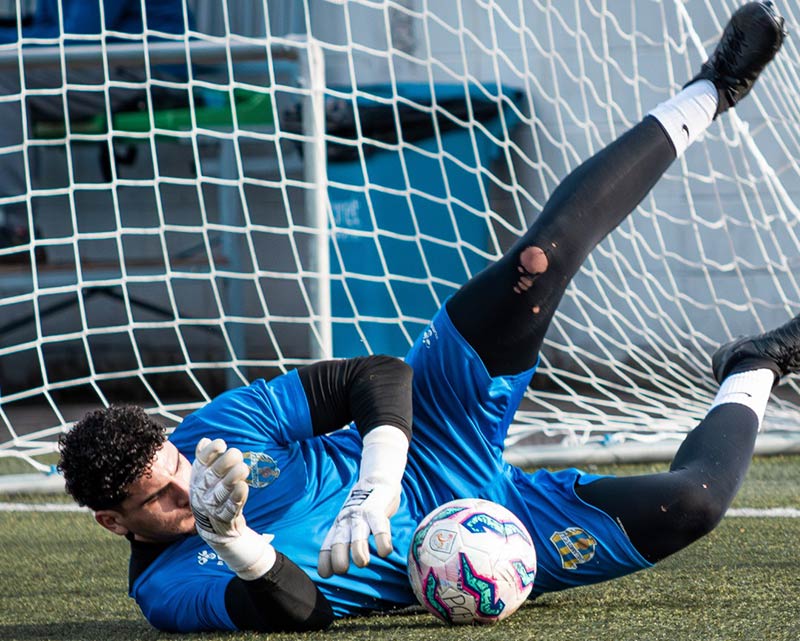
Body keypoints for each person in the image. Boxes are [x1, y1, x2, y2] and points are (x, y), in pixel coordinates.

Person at [57, 1, 793, 633]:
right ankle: (753, 368)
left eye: (174, 468)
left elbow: (372, 374)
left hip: (435, 432)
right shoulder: (166, 590)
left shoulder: (215, 434)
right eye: (157, 498)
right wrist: (241, 539)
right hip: (500, 522)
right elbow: (296, 613)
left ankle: (713, 88)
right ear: (113, 522)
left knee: (535, 260)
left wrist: (376, 482)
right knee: (692, 503)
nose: (187, 489)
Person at [0, 0, 189, 251]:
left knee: (3, 72)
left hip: (147, 69)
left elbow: (79, 41)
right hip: (95, 63)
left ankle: (17, 230)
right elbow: (46, 29)